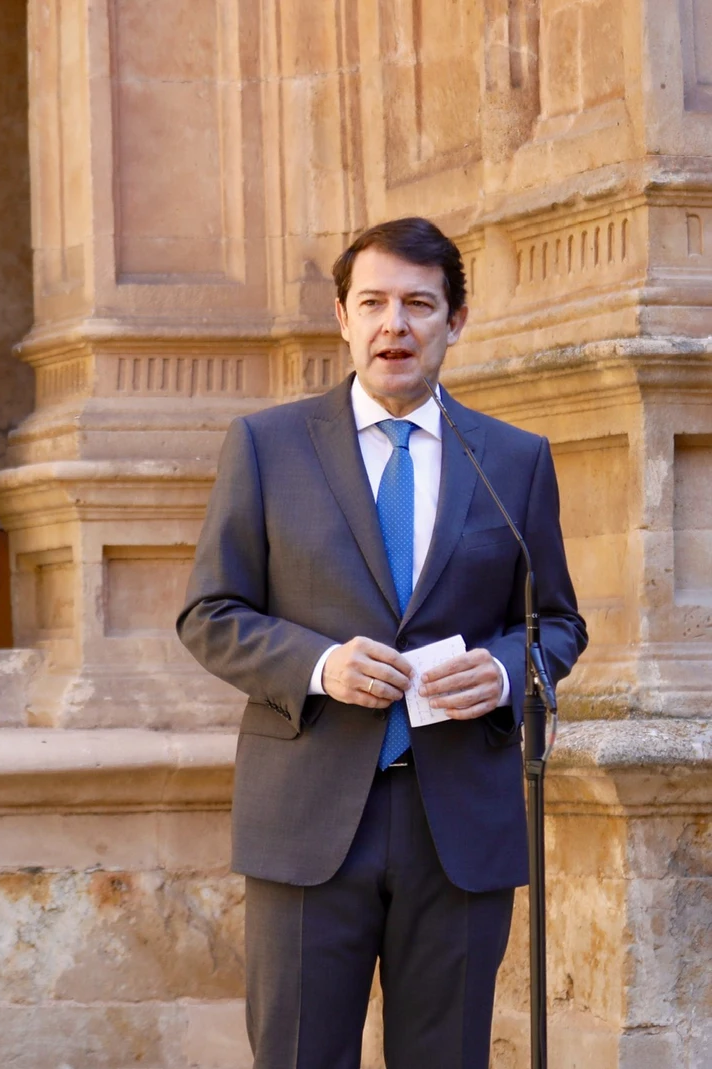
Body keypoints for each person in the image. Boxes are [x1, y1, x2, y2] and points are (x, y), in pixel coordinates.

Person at [177, 217, 586, 1068]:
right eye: (373, 302)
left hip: (459, 828)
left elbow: (557, 621)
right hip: (309, 819)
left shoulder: (514, 460)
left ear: (456, 320)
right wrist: (321, 665)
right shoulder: (266, 446)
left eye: (417, 304)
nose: (393, 324)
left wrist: (508, 673)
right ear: (342, 316)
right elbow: (210, 612)